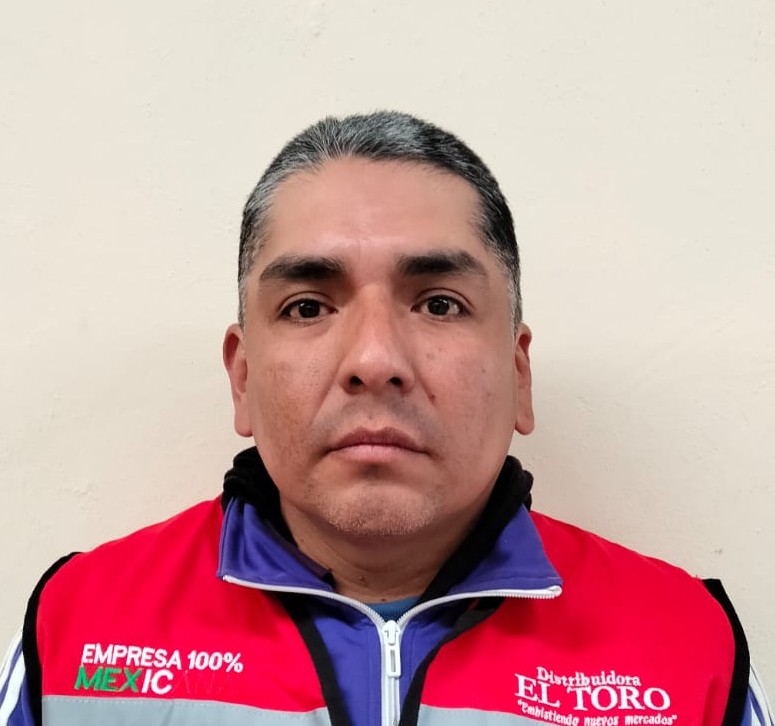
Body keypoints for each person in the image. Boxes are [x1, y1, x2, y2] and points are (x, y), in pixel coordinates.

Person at [1, 112, 772, 726]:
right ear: (241, 378)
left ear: (517, 375)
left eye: (439, 304)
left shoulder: (688, 648)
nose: (373, 359)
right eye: (308, 307)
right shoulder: (75, 626)